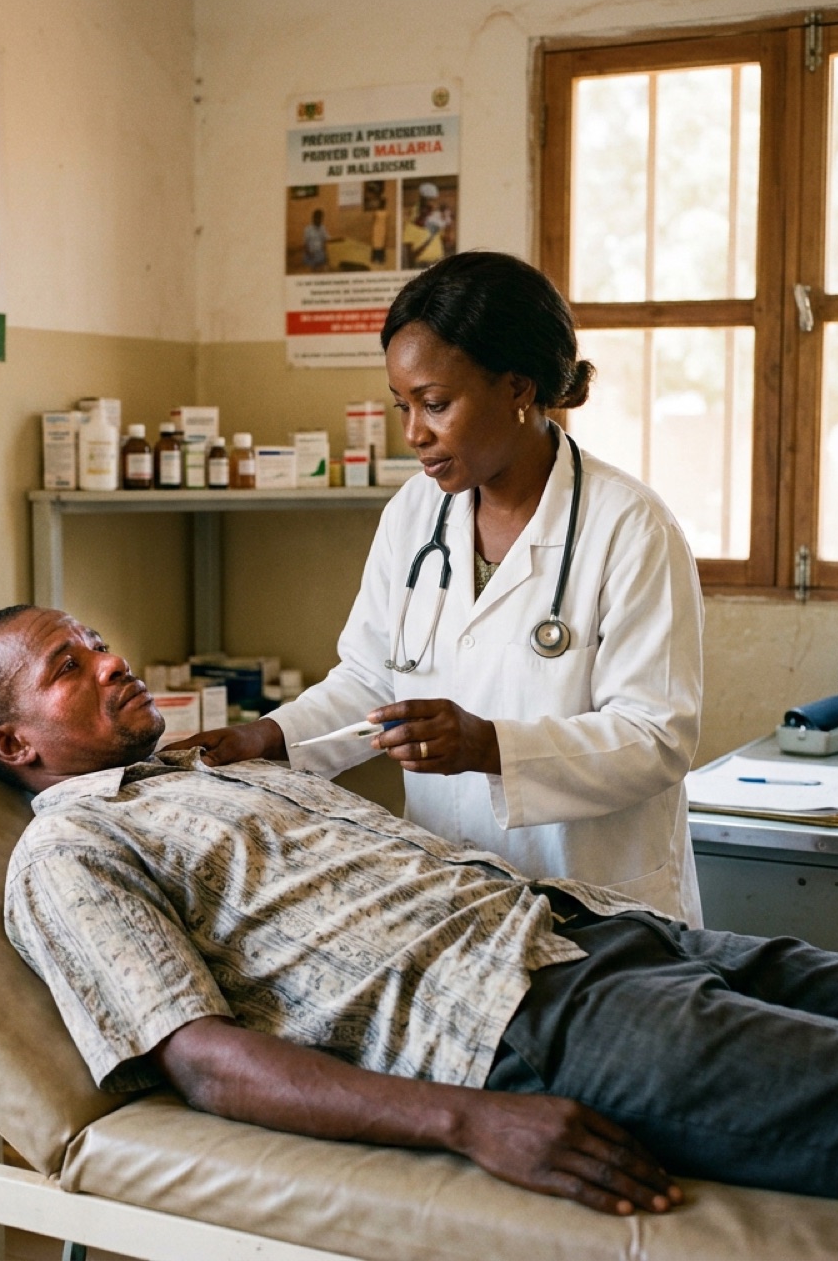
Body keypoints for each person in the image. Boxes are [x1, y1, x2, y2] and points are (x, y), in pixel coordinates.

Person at [0, 604, 838, 1220]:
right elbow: (205, 1060)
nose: (111, 660)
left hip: (604, 931)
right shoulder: (68, 850)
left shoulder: (210, 772)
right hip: (528, 1022)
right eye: (67, 666)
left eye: (96, 640)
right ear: (15, 746)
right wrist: (469, 1119)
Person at [184, 251, 706, 924]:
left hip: (600, 906)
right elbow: (374, 680)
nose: (414, 435)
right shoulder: (414, 512)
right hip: (452, 901)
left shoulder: (630, 527)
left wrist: (489, 746)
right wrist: (269, 737)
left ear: (518, 389)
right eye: (403, 406)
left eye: (436, 404)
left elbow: (656, 739)